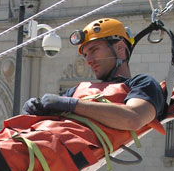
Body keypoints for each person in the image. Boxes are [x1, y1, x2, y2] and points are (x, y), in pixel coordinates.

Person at [23, 18, 166, 131]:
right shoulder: (78, 90)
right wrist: (36, 108)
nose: (88, 61)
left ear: (120, 48)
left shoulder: (142, 84)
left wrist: (70, 104)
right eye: (85, 55)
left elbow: (133, 118)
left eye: (94, 50)